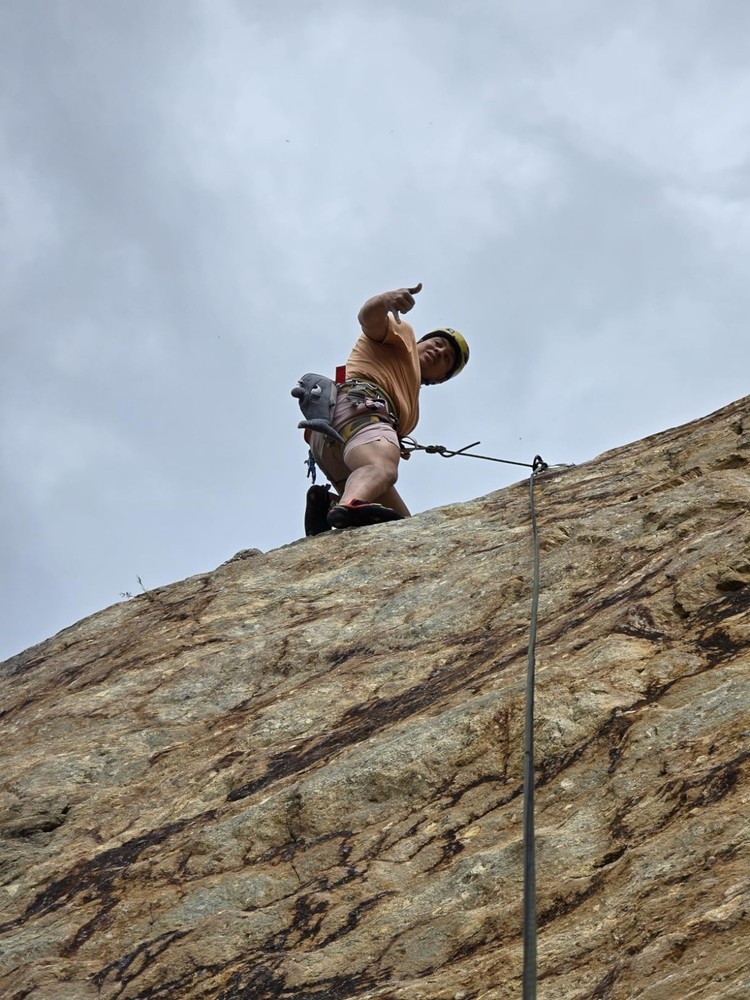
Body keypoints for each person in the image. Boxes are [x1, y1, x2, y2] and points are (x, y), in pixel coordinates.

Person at [303, 282, 469, 531]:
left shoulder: (410, 405)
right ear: (420, 342)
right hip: (358, 411)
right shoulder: (402, 339)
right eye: (436, 343)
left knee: (402, 526)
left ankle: (329, 503)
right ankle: (349, 504)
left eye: (446, 357)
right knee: (382, 468)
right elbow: (368, 318)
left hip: (333, 437)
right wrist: (385, 300)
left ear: (439, 379)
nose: (439, 350)